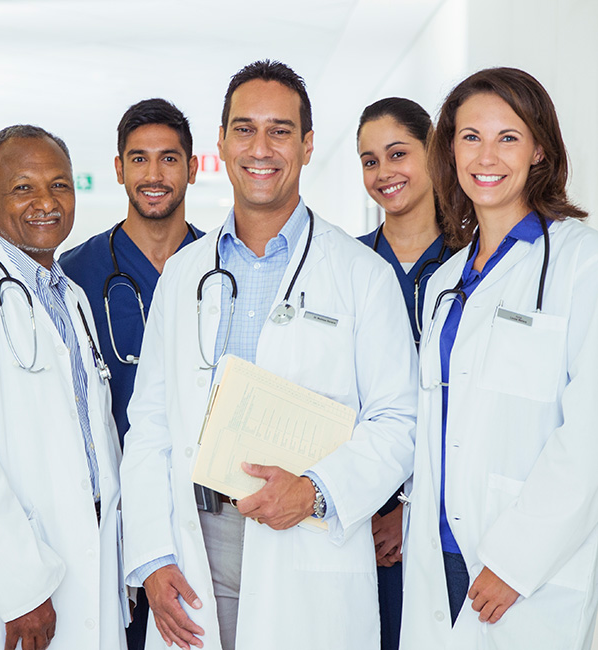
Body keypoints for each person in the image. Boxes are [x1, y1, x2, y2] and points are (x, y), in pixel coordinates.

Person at [120, 60, 418, 650]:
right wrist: (152, 556)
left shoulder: (362, 275)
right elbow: (149, 423)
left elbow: (398, 421)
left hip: (308, 537)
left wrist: (315, 491)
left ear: (307, 146)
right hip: (195, 541)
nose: (261, 147)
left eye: (280, 130)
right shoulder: (183, 274)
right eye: (244, 129)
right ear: (221, 145)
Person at [400, 67, 598, 650]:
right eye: (470, 137)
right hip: (438, 554)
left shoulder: (579, 262)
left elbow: (589, 430)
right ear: (450, 150)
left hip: (523, 564)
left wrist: (516, 558)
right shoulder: (445, 281)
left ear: (540, 149)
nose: (487, 156)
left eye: (508, 137)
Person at [0, 125, 127, 650]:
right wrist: (21, 588)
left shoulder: (70, 296)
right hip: (15, 589)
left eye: (60, 185)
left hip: (87, 559)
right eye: (23, 187)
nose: (45, 203)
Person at [60, 99, 204, 650]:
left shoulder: (220, 265)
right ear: (118, 169)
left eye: (169, 159)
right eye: (139, 159)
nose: (154, 175)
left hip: (200, 509)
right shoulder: (75, 274)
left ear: (192, 167)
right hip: (106, 510)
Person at [356, 97, 455, 650]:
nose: (384, 173)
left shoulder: (472, 263)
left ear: (433, 150)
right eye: (370, 161)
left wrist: (409, 510)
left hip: (443, 509)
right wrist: (369, 503)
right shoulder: (346, 266)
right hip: (356, 511)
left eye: (397, 154)